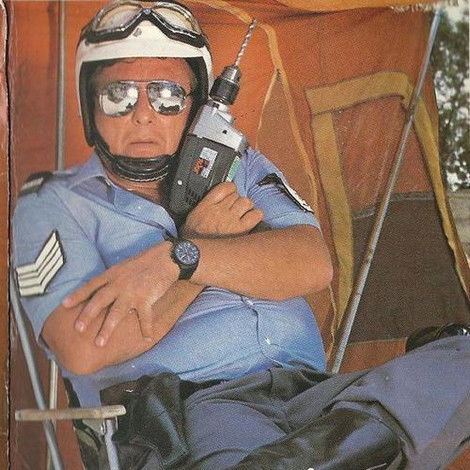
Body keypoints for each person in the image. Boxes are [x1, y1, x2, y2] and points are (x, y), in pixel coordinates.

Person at [12, 2, 470, 470]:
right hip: (199, 408)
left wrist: (180, 259)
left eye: (168, 95)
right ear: (89, 106)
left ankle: (314, 457)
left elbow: (311, 263)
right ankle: (343, 452)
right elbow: (84, 349)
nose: (144, 114)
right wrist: (196, 245)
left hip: (314, 395)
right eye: (119, 95)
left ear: (196, 106)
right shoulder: (53, 205)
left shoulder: (235, 162)